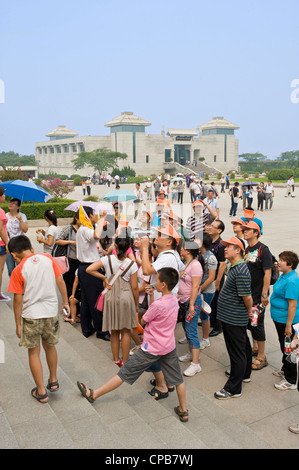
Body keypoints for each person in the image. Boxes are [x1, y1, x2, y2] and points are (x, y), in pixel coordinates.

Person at [77, 267, 189, 423]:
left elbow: (144, 320)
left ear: (163, 285)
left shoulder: (158, 305)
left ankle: (94, 394)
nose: (154, 282)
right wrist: (151, 298)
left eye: (156, 280)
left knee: (124, 373)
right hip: (168, 346)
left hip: (151, 348)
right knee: (178, 380)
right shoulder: (173, 301)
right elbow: (157, 313)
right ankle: (183, 410)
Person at [7, 235, 70, 403]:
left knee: (34, 353)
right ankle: (53, 380)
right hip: (50, 312)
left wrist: (17, 324)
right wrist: (65, 302)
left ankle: (41, 391)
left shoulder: (18, 270)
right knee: (50, 347)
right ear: (31, 248)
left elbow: (18, 300)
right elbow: (60, 281)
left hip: (31, 316)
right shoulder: (48, 259)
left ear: (13, 254)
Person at [86, 234, 139, 366]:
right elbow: (135, 287)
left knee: (114, 330)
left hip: (110, 296)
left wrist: (104, 278)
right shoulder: (132, 264)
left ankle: (116, 360)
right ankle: (125, 361)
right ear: (128, 249)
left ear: (115, 246)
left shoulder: (107, 259)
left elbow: (89, 269)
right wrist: (136, 305)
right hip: (126, 297)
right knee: (126, 330)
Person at [214, 236, 253, 400]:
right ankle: (244, 373)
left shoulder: (241, 271)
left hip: (234, 318)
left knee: (236, 352)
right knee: (243, 347)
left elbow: (247, 298)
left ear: (238, 250)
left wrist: (249, 312)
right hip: (231, 317)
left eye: (229, 246)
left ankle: (233, 388)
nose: (225, 248)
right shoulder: (235, 267)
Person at [241, 221, 273, 370]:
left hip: (258, 295)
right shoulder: (247, 249)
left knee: (257, 324)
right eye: (244, 229)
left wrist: (264, 294)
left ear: (256, 233)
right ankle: (255, 348)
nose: (245, 231)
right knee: (251, 324)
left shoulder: (263, 249)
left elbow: (268, 273)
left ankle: (262, 356)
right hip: (248, 294)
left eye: (249, 230)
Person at [76, 206, 109, 340]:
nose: (95, 216)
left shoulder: (81, 230)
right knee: (96, 301)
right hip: (91, 269)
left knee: (85, 300)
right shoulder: (85, 229)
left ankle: (87, 329)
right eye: (94, 214)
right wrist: (102, 219)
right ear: (89, 216)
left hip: (84, 268)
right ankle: (101, 331)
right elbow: (96, 235)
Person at [270, 251, 299, 390]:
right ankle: (285, 369)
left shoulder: (292, 280)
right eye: (279, 259)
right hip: (279, 318)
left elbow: (293, 305)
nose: (278, 262)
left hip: (287, 321)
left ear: (290, 264)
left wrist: (289, 326)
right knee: (283, 345)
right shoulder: (284, 275)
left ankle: (291, 380)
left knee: (289, 348)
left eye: (282, 260)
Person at [178, 241, 204, 376]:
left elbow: (195, 286)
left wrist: (192, 304)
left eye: (182, 248)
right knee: (186, 327)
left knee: (191, 330)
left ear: (188, 251)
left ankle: (195, 364)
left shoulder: (196, 265)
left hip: (191, 301)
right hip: (183, 300)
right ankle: (190, 353)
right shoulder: (185, 262)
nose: (180, 249)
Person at [205, 220, 226, 337]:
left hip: (216, 278)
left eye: (213, 226)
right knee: (211, 301)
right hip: (208, 276)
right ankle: (211, 321)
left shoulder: (221, 244)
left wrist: (217, 281)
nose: (209, 227)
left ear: (219, 230)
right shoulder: (208, 241)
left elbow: (222, 264)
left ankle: (218, 327)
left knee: (217, 302)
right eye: (210, 225)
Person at [53, 211, 80, 299]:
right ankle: (69, 305)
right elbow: (57, 240)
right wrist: (71, 242)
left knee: (78, 285)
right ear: (76, 218)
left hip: (81, 260)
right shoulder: (69, 228)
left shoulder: (85, 228)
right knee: (69, 283)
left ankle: (76, 307)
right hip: (70, 260)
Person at [199, 232, 217, 348]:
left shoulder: (211, 257)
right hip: (198, 289)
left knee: (204, 315)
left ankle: (205, 339)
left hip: (206, 291)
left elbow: (211, 278)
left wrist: (199, 289)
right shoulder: (198, 254)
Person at [5, 198, 28, 277]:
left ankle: (22, 286)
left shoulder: (22, 215)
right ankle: (15, 288)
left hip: (20, 245)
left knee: (21, 267)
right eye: (10, 202)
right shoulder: (5, 216)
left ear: (18, 207)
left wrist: (20, 220)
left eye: (14, 203)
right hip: (9, 245)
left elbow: (25, 230)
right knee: (11, 269)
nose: (10, 204)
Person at [0, 186, 10, 301]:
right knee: (0, 269)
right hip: (1, 243)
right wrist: (7, 243)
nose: (4, 197)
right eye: (4, 195)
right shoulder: (1, 211)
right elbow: (1, 230)